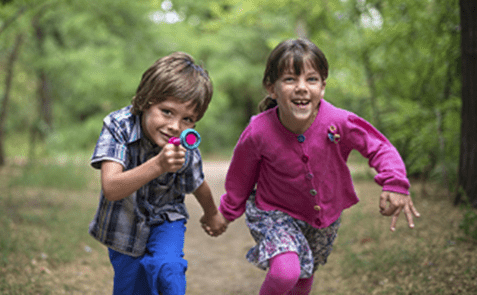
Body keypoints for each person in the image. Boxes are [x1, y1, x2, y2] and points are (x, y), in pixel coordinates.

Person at [218, 38, 421, 295]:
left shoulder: (339, 121)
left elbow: (379, 147)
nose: (302, 87)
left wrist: (395, 182)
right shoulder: (258, 130)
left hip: (323, 219)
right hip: (274, 213)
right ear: (272, 88)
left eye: (311, 79)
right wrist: (226, 213)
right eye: (290, 79)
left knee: (303, 279)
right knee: (285, 273)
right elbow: (241, 176)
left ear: (322, 87)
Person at [89, 52, 228, 295]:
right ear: (146, 101)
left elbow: (198, 183)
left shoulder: (184, 144)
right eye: (167, 111)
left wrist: (212, 214)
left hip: (167, 219)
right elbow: (111, 188)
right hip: (124, 225)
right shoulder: (118, 126)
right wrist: (159, 165)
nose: (175, 126)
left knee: (169, 271)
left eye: (187, 119)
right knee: (133, 289)